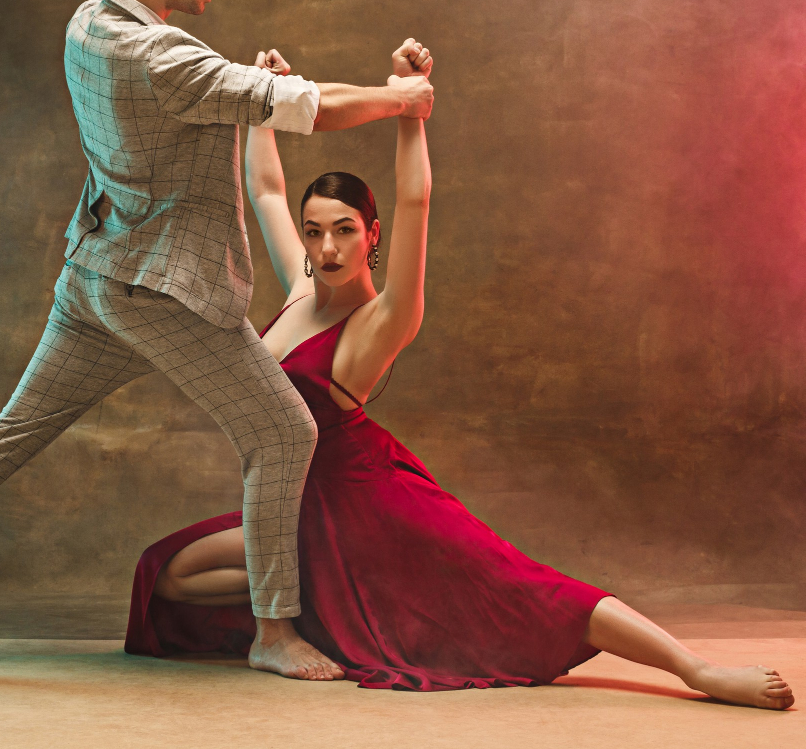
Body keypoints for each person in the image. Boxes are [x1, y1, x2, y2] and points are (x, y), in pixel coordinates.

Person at [0, 0, 434, 680]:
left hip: (94, 276)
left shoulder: (88, 24)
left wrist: (250, 87)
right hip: (165, 292)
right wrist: (402, 99)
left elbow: (213, 99)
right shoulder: (167, 57)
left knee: (9, 432)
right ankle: (273, 631)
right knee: (285, 431)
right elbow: (310, 108)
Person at [123, 42, 795, 709]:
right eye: (315, 231)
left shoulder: (381, 320)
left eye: (345, 230)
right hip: (298, 510)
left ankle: (696, 668)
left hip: (371, 504)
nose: (327, 247)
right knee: (168, 575)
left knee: (525, 587)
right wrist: (262, 102)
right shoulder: (302, 286)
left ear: (372, 235)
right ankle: (317, 602)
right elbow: (266, 189)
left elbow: (415, 201)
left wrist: (408, 108)